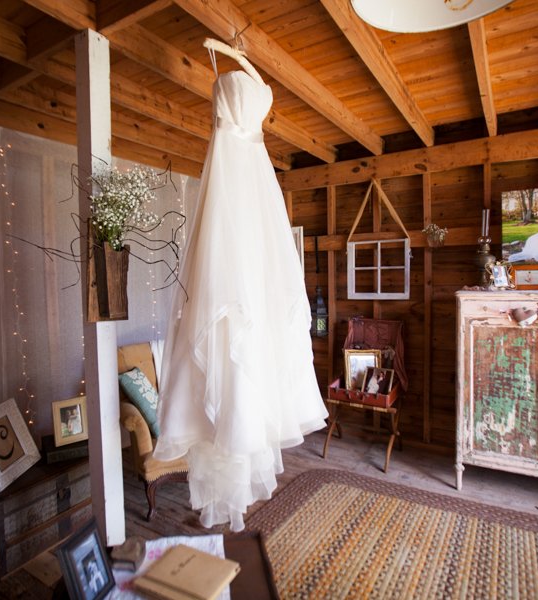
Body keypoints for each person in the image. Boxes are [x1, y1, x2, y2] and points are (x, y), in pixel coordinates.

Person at [153, 38, 328, 533]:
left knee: (250, 289)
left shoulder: (248, 82)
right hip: (236, 170)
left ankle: (240, 422)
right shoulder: (233, 70)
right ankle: (228, 429)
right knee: (227, 292)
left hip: (247, 174)